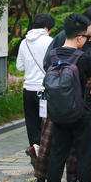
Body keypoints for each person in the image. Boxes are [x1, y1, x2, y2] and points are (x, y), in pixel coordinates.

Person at [44, 14, 91, 182]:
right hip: (82, 113)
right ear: (79, 37)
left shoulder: (52, 56)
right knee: (84, 155)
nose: (86, 40)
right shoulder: (84, 57)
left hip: (58, 113)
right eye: (86, 36)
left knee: (57, 154)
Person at [46, 5, 91, 120]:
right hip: (64, 96)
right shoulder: (64, 37)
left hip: (88, 99)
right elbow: (48, 63)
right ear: (88, 23)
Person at [16, 14, 55, 167]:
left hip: (28, 89)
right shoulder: (49, 41)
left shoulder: (24, 42)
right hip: (44, 90)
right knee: (46, 124)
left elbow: (19, 67)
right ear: (47, 28)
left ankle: (34, 150)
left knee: (32, 124)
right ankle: (44, 155)